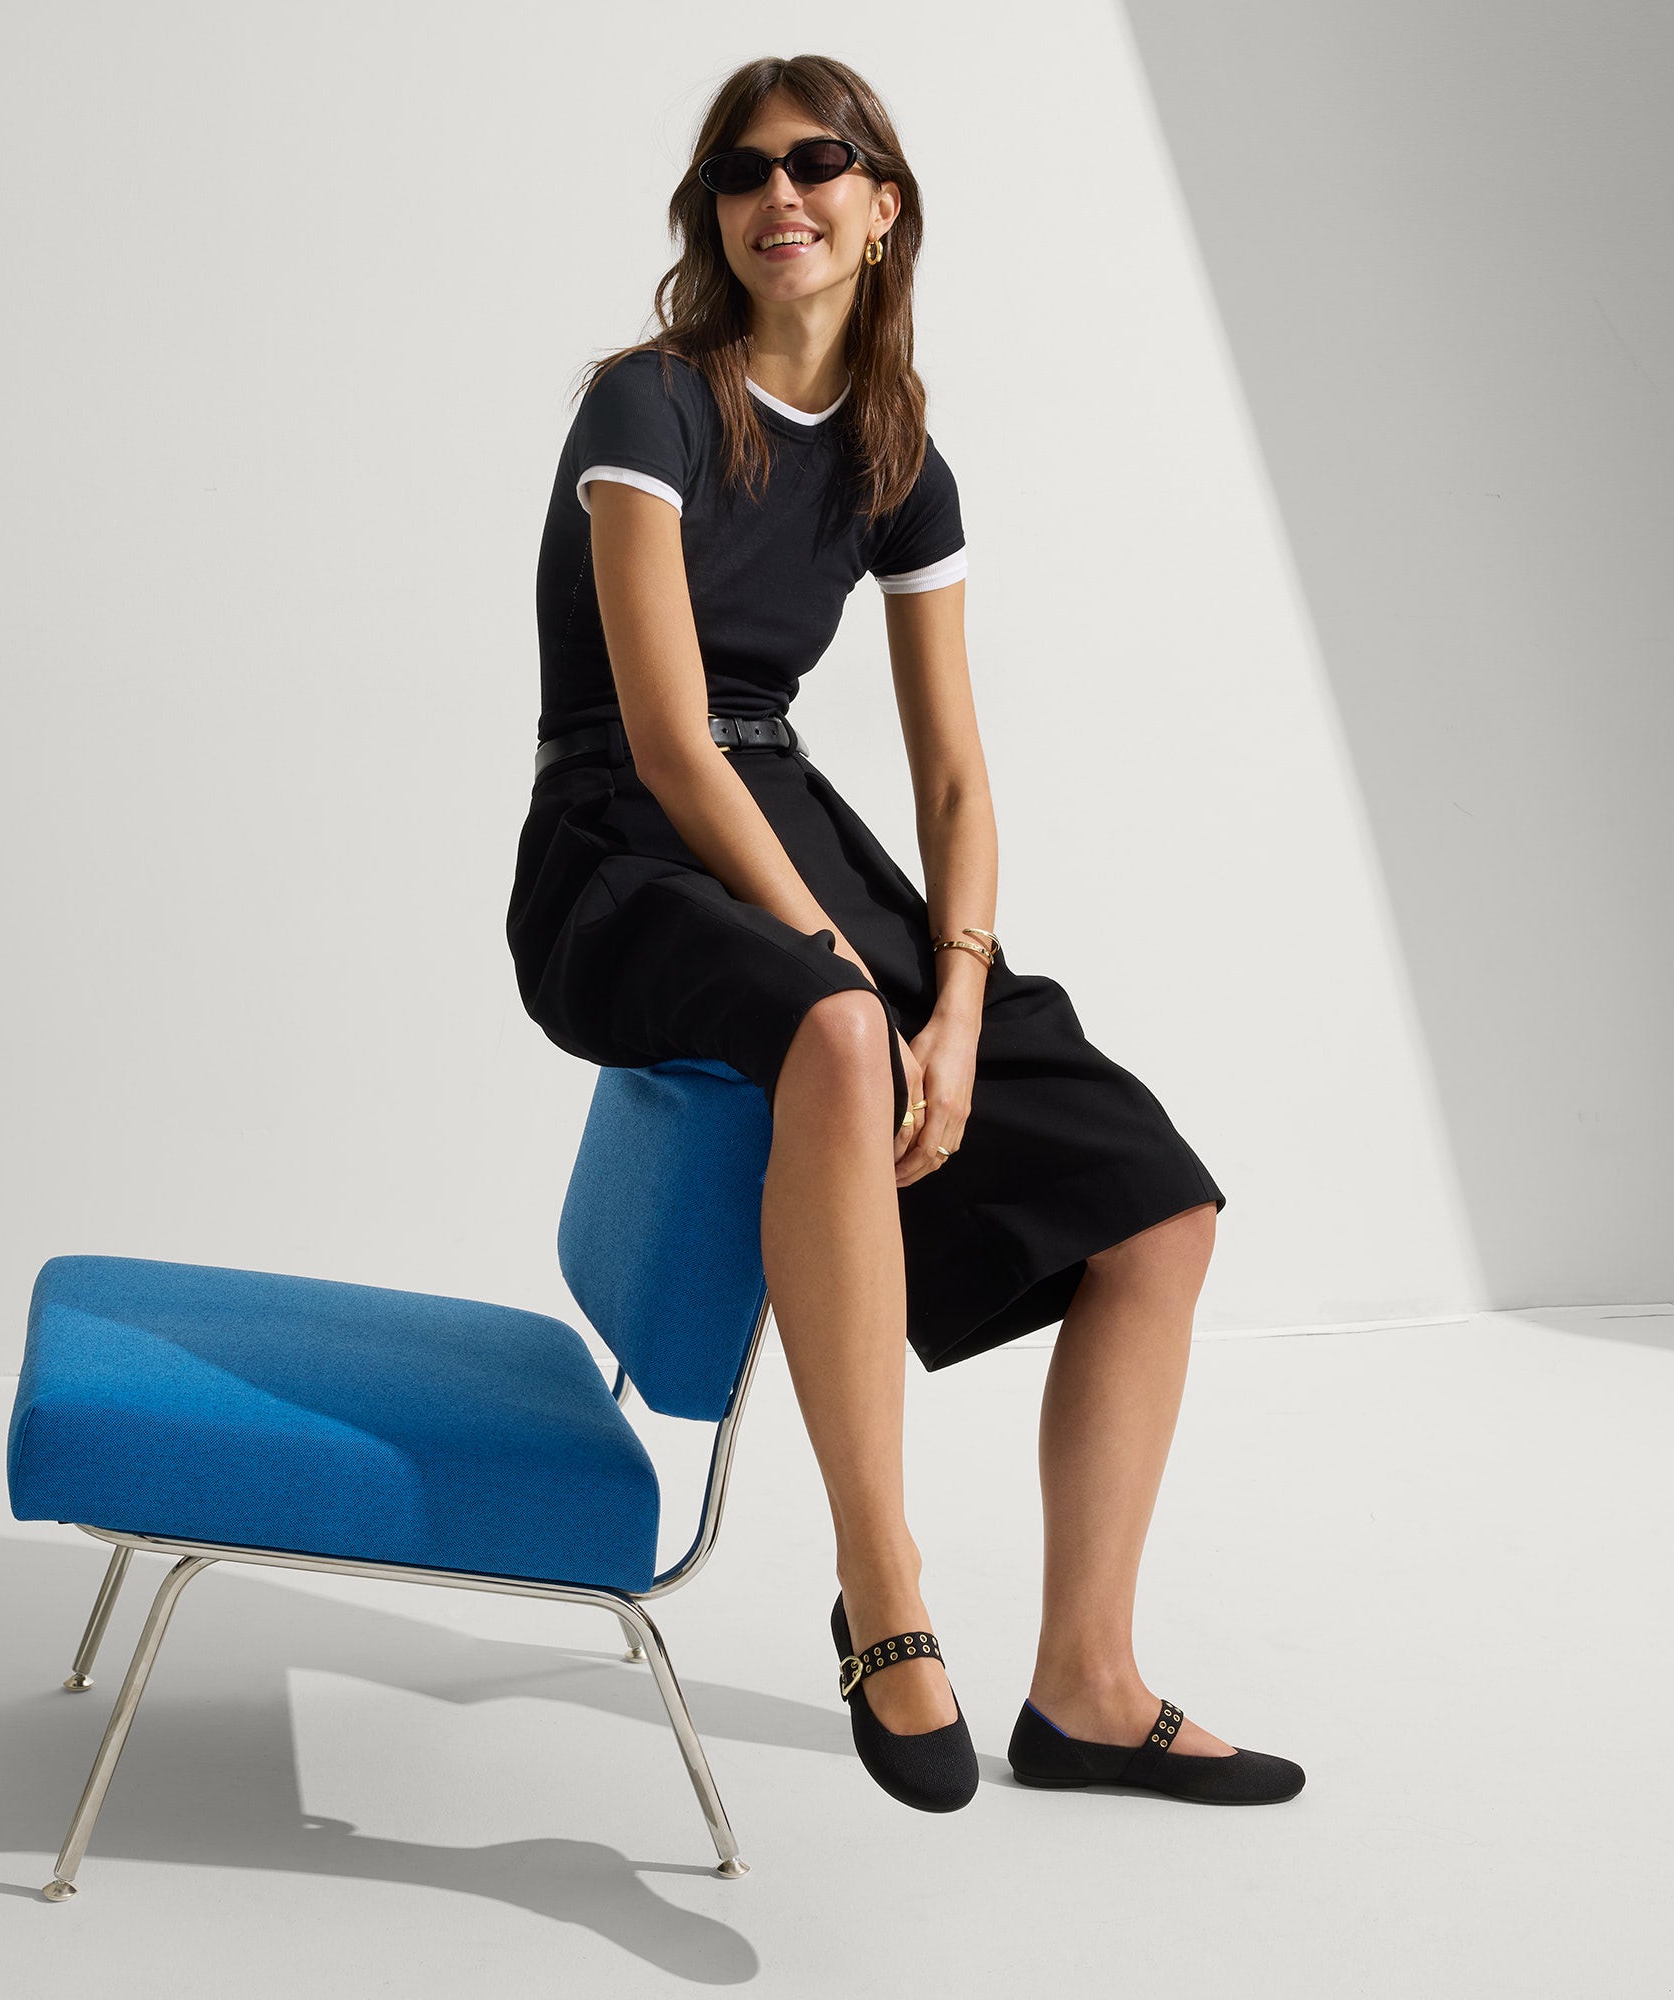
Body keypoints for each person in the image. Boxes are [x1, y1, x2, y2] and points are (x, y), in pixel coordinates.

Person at [505, 53, 1304, 1812]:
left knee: (1158, 1209)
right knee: (833, 1023)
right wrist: (842, 971)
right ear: (712, 216)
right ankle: (883, 1582)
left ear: (883, 207)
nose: (777, 195)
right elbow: (668, 740)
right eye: (740, 173)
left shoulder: (896, 462)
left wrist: (954, 993)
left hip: (793, 823)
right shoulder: (647, 406)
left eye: (817, 162)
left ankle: (1087, 1687)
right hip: (618, 846)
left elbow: (953, 777)